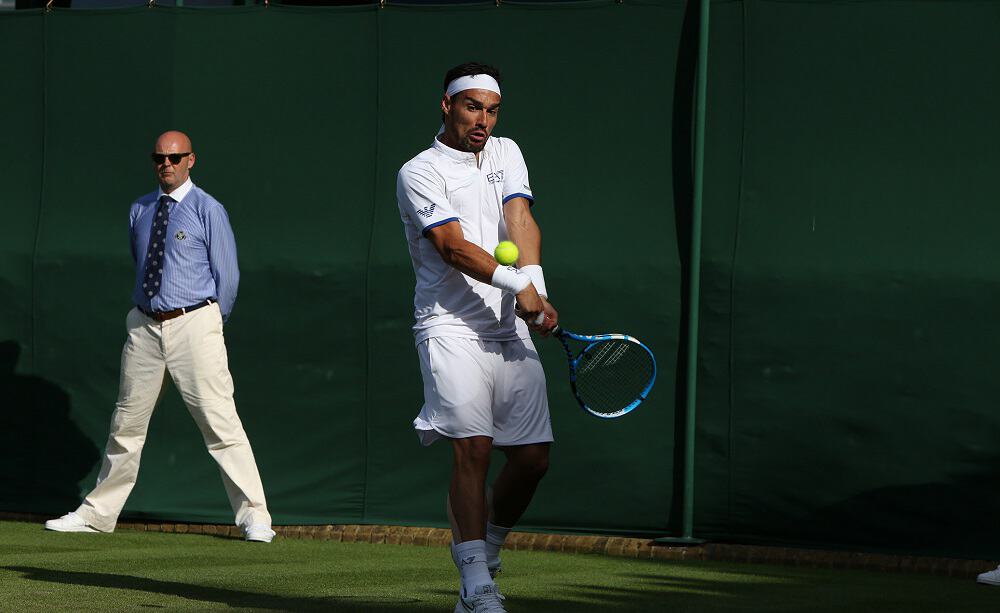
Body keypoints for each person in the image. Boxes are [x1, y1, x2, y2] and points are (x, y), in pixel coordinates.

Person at [45, 131, 275, 543]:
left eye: (174, 158)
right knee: (126, 424)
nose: (165, 165)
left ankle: (255, 518)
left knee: (220, 423)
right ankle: (98, 514)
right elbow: (142, 264)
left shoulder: (209, 209)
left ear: (191, 160)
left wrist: (208, 323)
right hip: (145, 326)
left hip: (196, 322)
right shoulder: (140, 209)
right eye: (159, 159)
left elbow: (229, 278)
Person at [396, 62, 558, 613]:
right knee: (474, 447)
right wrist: (518, 283)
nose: (482, 120)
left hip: (508, 325)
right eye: (472, 108)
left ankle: (486, 549)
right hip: (449, 326)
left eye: (491, 110)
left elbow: (520, 218)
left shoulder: (507, 151)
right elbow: (452, 247)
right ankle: (474, 585)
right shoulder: (418, 171)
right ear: (446, 106)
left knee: (533, 457)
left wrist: (534, 287)